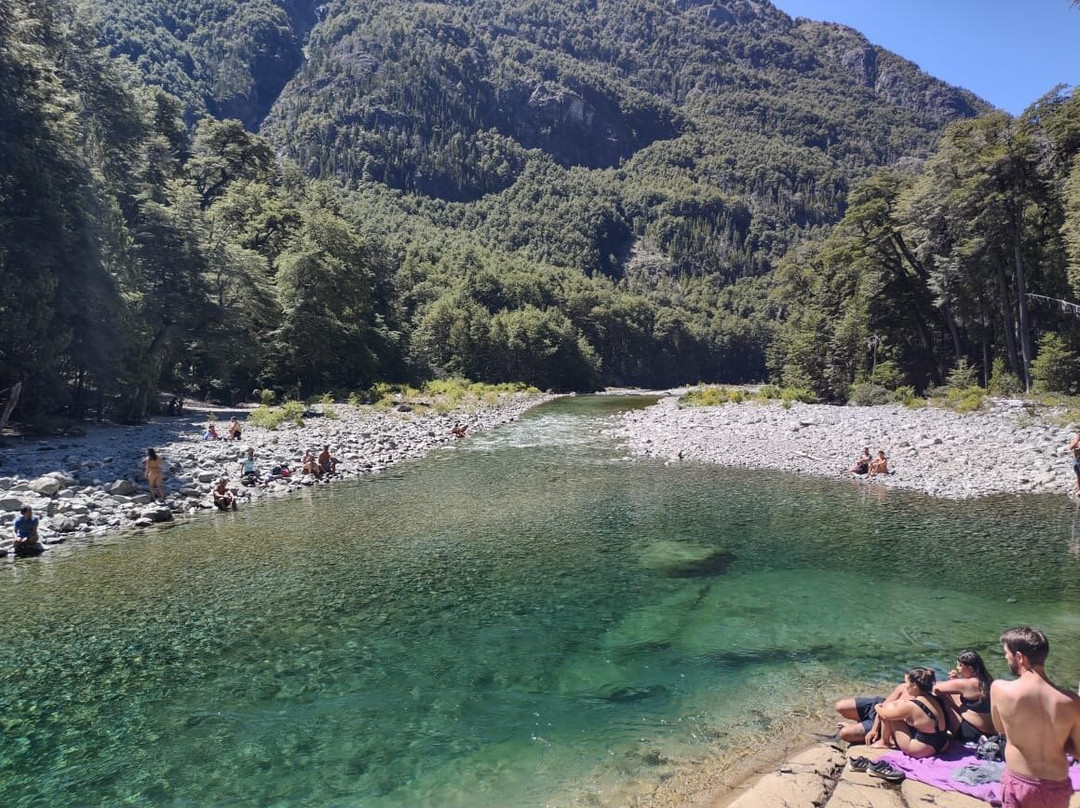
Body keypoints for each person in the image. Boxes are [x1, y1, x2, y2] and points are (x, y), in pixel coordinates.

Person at [991, 626, 1080, 808]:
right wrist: (1056, 737)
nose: (1005, 658)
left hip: (1019, 782)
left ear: (1019, 657)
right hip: (1057, 785)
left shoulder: (1000, 689)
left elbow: (1000, 729)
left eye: (1006, 654)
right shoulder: (1071, 700)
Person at [869, 667, 951, 757]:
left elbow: (885, 715)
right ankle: (885, 741)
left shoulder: (912, 706)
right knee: (899, 706)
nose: (906, 686)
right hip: (943, 744)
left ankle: (884, 742)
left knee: (888, 707)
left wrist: (877, 707)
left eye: (907, 684)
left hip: (922, 749)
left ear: (914, 685)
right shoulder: (935, 698)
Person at [934, 650, 995, 742]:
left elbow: (935, 688)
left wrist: (955, 683)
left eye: (960, 665)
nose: (957, 668)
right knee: (950, 693)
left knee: (941, 696)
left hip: (967, 732)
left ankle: (933, 730)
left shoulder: (967, 684)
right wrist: (955, 682)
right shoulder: (988, 680)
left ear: (970, 669)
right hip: (986, 730)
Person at [1069, 427, 1080, 496]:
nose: (1079, 433)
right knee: (1077, 474)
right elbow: (1070, 448)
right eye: (1078, 432)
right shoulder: (1074, 441)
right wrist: (1077, 440)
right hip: (1076, 459)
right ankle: (1078, 487)